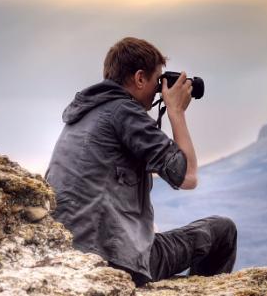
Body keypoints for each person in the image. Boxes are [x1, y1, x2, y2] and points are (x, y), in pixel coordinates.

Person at [44, 37, 237, 287]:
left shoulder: (84, 114)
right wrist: (176, 112)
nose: (160, 88)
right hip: (113, 260)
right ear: (139, 78)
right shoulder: (123, 112)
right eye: (158, 80)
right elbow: (188, 176)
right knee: (222, 231)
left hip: (70, 252)